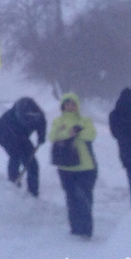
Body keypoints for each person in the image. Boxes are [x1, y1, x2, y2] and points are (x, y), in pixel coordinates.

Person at [49, 92, 97, 238]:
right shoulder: (58, 121)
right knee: (71, 198)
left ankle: (86, 230)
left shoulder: (85, 120)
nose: (70, 107)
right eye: (67, 104)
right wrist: (71, 133)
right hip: (65, 167)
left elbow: (91, 134)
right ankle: (75, 228)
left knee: (85, 198)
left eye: (73, 104)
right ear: (63, 106)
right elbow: (53, 136)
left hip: (85, 167)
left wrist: (72, 133)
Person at [0, 96, 46, 197]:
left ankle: (33, 193)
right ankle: (13, 185)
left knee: (32, 164)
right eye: (27, 119)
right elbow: (13, 142)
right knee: (15, 157)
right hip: (6, 135)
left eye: (32, 119)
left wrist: (41, 136)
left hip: (22, 136)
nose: (30, 121)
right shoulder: (9, 120)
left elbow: (42, 123)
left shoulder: (37, 115)